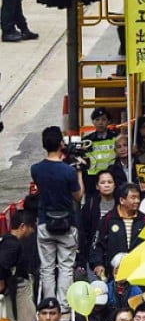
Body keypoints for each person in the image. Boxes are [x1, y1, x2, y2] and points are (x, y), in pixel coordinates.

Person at [32, 127, 85, 311]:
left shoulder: (36, 169)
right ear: (61, 144)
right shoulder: (68, 171)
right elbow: (78, 197)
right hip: (67, 224)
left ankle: (48, 305)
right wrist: (78, 172)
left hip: (45, 222)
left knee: (47, 267)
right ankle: (63, 306)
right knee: (65, 266)